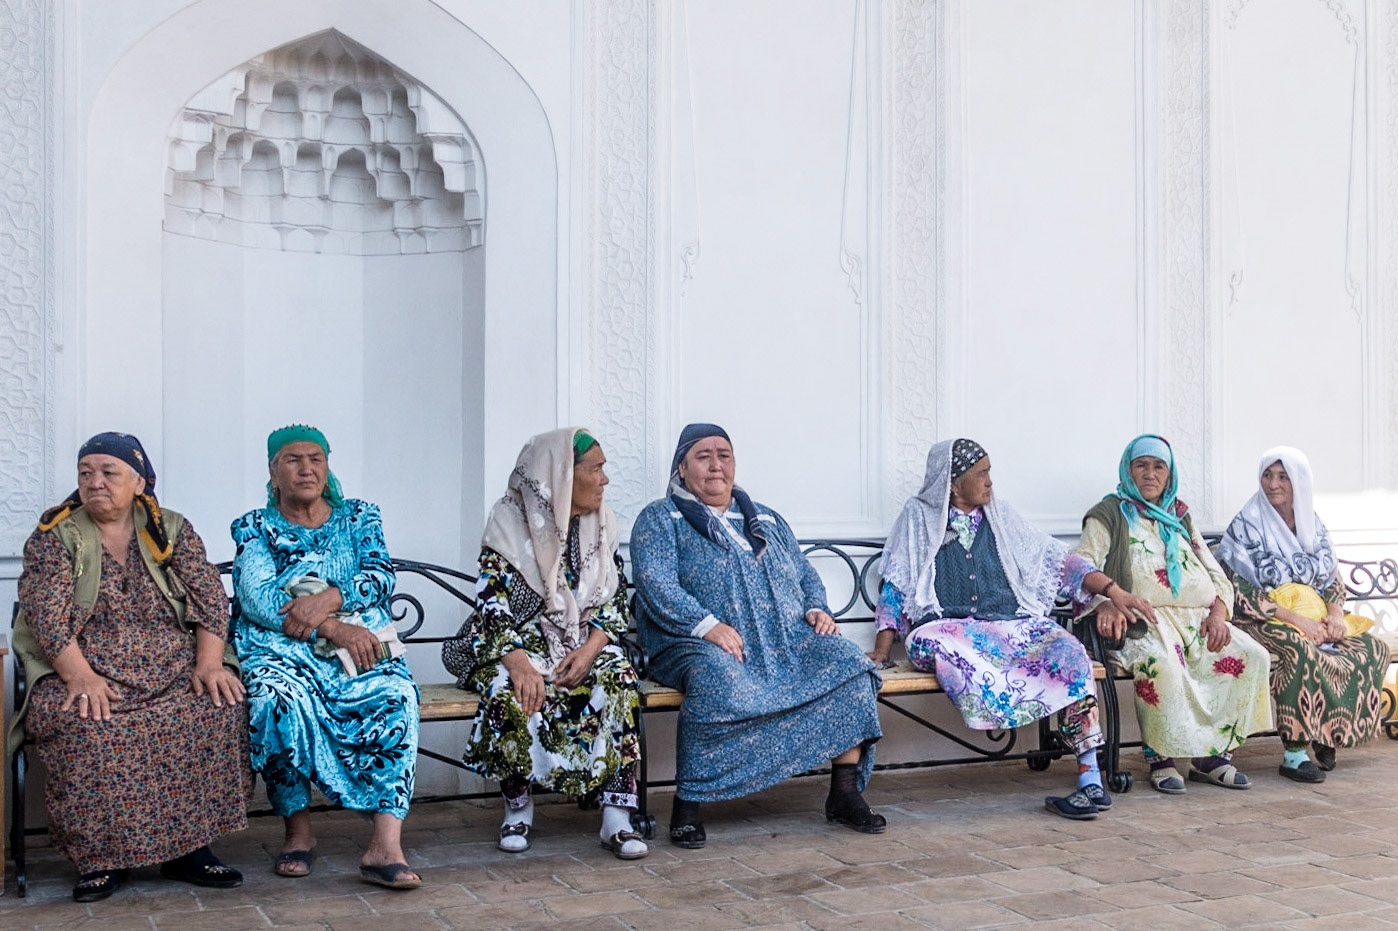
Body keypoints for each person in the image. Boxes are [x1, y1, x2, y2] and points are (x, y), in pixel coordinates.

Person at [12, 432, 249, 902]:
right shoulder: (57, 536)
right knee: (86, 722)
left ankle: (190, 850)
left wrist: (209, 663)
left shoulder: (171, 529)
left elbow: (208, 598)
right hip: (82, 666)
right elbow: (45, 617)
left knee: (215, 707)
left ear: (139, 481)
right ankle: (101, 859)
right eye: (86, 473)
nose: (95, 482)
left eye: (108, 472)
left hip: (171, 668)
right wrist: (80, 676)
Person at [871, 439, 1158, 819]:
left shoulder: (1001, 517)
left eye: (990, 472)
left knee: (1070, 653)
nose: (990, 482)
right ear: (953, 483)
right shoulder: (918, 518)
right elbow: (897, 583)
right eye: (982, 474)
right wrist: (881, 648)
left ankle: (1091, 778)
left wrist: (1112, 591)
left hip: (1012, 627)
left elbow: (1059, 560)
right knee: (946, 643)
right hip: (949, 629)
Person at [630, 423, 885, 848]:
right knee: (716, 679)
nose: (715, 465)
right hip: (692, 640)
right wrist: (706, 626)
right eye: (703, 456)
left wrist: (816, 608)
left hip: (782, 638)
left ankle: (844, 794)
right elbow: (656, 584)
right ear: (681, 467)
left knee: (850, 666)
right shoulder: (661, 518)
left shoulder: (764, 517)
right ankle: (688, 805)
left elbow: (803, 573)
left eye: (724, 455)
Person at [231, 425, 421, 889]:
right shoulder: (255, 526)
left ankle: (385, 846)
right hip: (281, 648)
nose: (306, 468)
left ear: (328, 466)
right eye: (293, 460)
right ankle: (299, 834)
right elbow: (257, 597)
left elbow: (380, 575)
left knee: (397, 695)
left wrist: (331, 597)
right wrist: (331, 625)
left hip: (358, 645)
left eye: (316, 458)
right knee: (277, 699)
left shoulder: (358, 517)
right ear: (273, 472)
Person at [446, 428, 646, 858]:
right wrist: (517, 662)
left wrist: (591, 649)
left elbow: (614, 600)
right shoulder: (507, 521)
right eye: (596, 469)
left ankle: (617, 817)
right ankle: (517, 808)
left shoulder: (603, 524)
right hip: (514, 642)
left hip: (581, 641)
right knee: (512, 688)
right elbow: (491, 602)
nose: (605, 480)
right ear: (561, 476)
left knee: (618, 676)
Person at [1077, 434, 1272, 794]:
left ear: (1169, 475)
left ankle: (1211, 758)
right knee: (1161, 667)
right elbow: (1079, 567)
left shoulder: (1178, 515)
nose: (1150, 474)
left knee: (1251, 655)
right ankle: (1161, 758)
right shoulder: (1108, 514)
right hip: (1145, 624)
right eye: (1142, 466)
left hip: (1197, 621)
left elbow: (1214, 572)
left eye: (1158, 467)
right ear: (1128, 469)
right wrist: (1106, 601)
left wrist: (1219, 612)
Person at [1216, 446, 1391, 781]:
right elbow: (1237, 590)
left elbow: (1332, 579)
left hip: (1316, 616)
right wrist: (1298, 621)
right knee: (1299, 650)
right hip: (1261, 618)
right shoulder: (1247, 524)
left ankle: (1328, 732)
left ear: (1299, 481)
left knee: (1370, 648)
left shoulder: (1312, 521)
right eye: (1268, 475)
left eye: (1283, 476)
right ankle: (1295, 753)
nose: (1273, 484)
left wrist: (1336, 616)